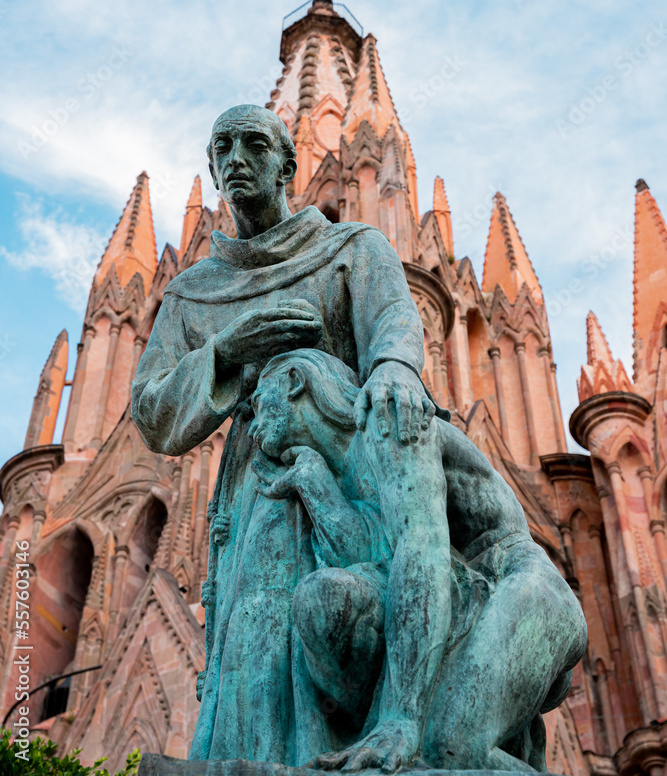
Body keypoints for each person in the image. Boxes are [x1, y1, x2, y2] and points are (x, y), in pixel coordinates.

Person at [131, 105, 450, 769]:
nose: (237, 159)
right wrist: (225, 352)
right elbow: (153, 412)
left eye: (254, 145)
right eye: (223, 147)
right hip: (258, 493)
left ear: (287, 165)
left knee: (342, 631)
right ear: (212, 167)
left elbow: (395, 323)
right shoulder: (194, 293)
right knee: (255, 646)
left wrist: (393, 367)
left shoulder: (351, 248)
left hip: (356, 474)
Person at [249, 348, 588, 773]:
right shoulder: (342, 465)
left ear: (296, 381)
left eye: (260, 403)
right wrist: (313, 482)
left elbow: (422, 551)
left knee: (449, 747)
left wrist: (401, 717)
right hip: (461, 590)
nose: (252, 428)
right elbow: (375, 563)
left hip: (518, 587)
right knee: (321, 597)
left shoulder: (390, 417)